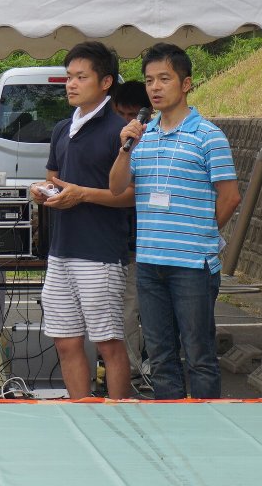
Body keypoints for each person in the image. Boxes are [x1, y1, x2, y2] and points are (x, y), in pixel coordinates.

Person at [109, 43, 241, 400]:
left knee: (199, 355)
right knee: (162, 357)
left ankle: (204, 429)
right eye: (150, 80)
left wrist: (201, 233)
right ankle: (169, 430)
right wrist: (125, 148)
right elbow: (117, 186)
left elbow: (230, 196)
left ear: (186, 84)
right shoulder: (142, 136)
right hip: (150, 263)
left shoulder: (208, 135)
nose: (155, 87)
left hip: (192, 265)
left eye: (164, 79)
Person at [29, 42, 133, 399]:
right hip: (61, 249)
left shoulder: (120, 131)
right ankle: (81, 411)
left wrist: (84, 194)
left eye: (81, 77)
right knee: (65, 340)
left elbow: (132, 194)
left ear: (106, 82)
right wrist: (41, 190)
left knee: (108, 343)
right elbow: (52, 177)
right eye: (69, 77)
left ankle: (119, 415)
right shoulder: (61, 128)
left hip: (101, 251)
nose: (71, 84)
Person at [110, 79, 153, 376]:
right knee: (125, 307)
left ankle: (153, 364)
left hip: (150, 240)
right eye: (121, 114)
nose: (127, 121)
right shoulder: (116, 141)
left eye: (133, 114)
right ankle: (131, 369)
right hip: (119, 242)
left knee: (147, 308)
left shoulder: (156, 139)